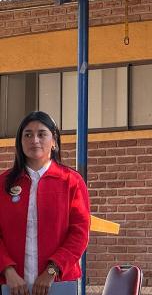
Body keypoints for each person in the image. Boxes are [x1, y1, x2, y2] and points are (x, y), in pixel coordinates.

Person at [0, 111, 91, 295]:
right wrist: (7, 270)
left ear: (54, 141)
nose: (34, 140)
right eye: (28, 134)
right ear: (20, 142)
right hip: (10, 285)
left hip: (58, 283)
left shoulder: (71, 181)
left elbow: (79, 233)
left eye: (42, 134)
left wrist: (52, 270)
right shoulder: (3, 183)